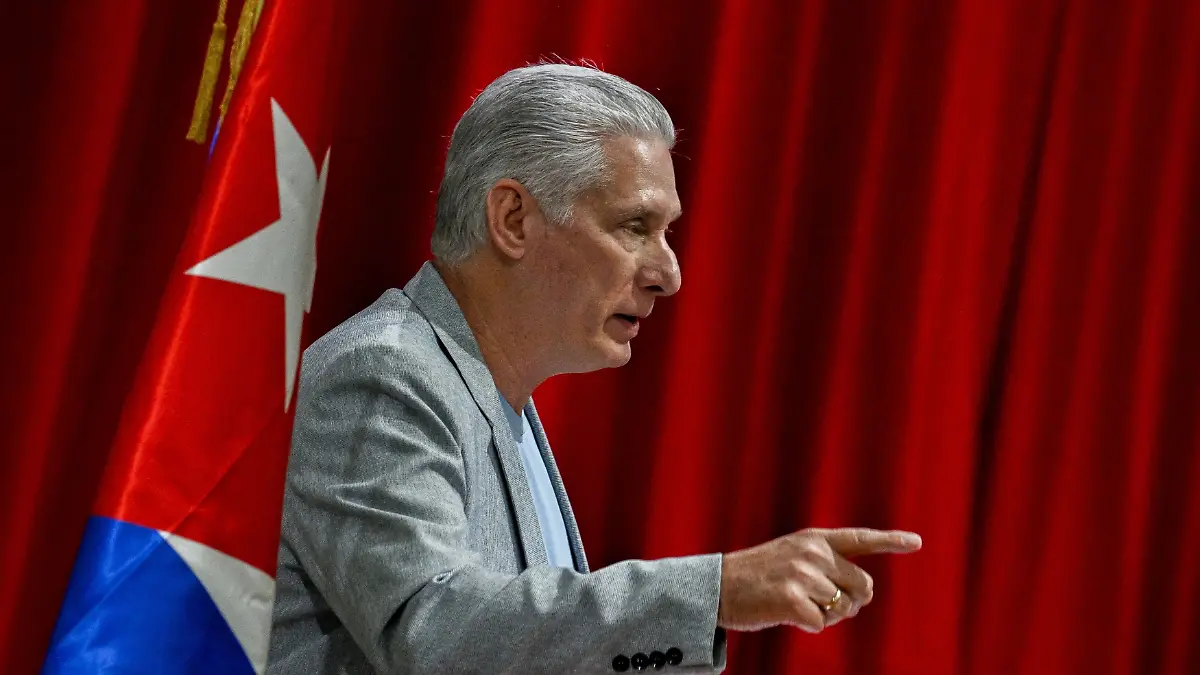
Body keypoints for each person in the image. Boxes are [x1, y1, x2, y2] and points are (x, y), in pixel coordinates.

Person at [265, 62, 922, 675]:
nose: (669, 273)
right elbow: (435, 631)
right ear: (513, 219)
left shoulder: (497, 395)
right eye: (634, 226)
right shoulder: (385, 374)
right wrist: (713, 591)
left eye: (667, 232)